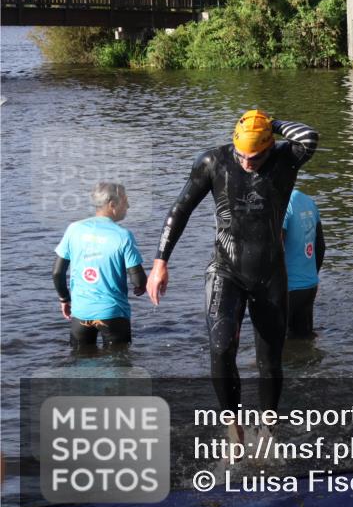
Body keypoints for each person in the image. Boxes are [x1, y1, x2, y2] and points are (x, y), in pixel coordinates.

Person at [146, 110, 318, 430]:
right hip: (225, 270)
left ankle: (268, 428)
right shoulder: (214, 162)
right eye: (242, 154)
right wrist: (160, 262)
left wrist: (271, 123)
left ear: (270, 146)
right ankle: (233, 425)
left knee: (270, 361)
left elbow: (310, 136)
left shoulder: (286, 159)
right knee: (221, 347)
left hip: (269, 275)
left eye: (255, 156)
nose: (247, 162)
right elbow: (180, 209)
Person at [53, 183, 146, 349]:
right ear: (112, 204)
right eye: (125, 201)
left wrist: (64, 298)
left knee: (80, 360)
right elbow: (138, 280)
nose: (128, 206)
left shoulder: (74, 229)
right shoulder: (123, 236)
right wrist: (141, 286)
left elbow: (57, 273)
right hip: (113, 313)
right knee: (119, 361)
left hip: (81, 313)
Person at [283, 189, 325, 339]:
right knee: (304, 340)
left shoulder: (282, 205)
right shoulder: (309, 201)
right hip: (309, 287)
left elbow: (275, 251)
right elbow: (320, 246)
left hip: (288, 290)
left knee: (277, 345)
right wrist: (313, 275)